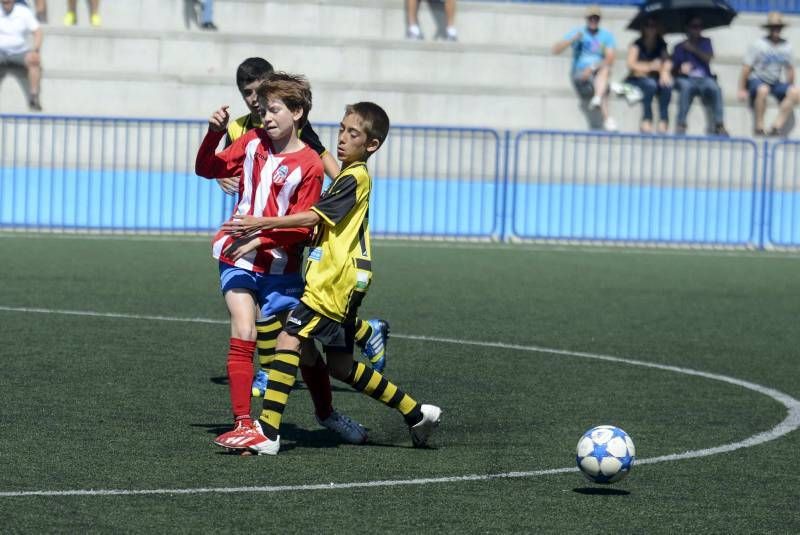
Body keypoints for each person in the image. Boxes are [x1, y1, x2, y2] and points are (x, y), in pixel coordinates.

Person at [213, 101, 442, 455]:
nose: (342, 139)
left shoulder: (354, 178)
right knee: (341, 365)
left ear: (372, 145)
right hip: (346, 284)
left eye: (353, 134)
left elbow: (312, 219)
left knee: (290, 338)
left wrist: (263, 224)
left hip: (333, 283)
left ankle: (269, 432)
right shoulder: (351, 174)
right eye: (341, 129)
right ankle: (416, 413)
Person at [195, 73, 375, 449]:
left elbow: (304, 228)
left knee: (304, 350)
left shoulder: (310, 163)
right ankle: (245, 422)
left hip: (282, 267)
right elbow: (207, 169)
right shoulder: (251, 142)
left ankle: (326, 414)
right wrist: (214, 133)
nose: (266, 117)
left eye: (274, 110)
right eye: (262, 110)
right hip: (237, 255)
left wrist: (262, 235)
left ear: (298, 112)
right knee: (242, 328)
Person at [215, 58, 390, 397]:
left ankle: (359, 337)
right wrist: (223, 173)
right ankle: (275, 374)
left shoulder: (293, 126)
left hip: (289, 229)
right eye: (247, 93)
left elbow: (324, 160)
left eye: (258, 92)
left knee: (298, 313)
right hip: (254, 231)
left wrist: (340, 192)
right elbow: (225, 163)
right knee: (276, 311)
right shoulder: (238, 127)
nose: (255, 100)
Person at [552, 5, 617, 131]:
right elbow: (555, 50)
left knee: (605, 70)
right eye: (591, 18)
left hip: (596, 72)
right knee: (603, 85)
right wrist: (572, 40)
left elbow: (610, 58)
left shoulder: (606, 36)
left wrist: (592, 68)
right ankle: (606, 115)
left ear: (599, 20)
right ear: (586, 19)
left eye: (596, 18)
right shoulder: (578, 32)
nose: (593, 20)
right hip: (579, 72)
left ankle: (598, 100)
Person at [738, 11, 800, 137]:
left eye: (778, 27)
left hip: (775, 82)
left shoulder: (786, 46)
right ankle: (759, 128)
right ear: (769, 29)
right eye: (773, 27)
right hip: (757, 80)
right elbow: (746, 68)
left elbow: (790, 68)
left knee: (796, 92)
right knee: (763, 89)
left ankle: (776, 127)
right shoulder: (758, 45)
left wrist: (790, 86)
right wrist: (742, 89)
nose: (776, 30)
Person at [671, 17, 728, 136]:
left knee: (715, 88)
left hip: (704, 78)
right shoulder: (679, 46)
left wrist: (692, 49)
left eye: (699, 27)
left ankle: (719, 124)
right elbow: (673, 69)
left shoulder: (706, 42)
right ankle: (681, 124)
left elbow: (708, 58)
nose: (697, 30)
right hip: (686, 79)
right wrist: (681, 69)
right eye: (694, 27)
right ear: (687, 28)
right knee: (685, 88)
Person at [625, 17, 672, 134]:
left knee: (667, 85)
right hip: (636, 79)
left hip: (653, 78)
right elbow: (631, 64)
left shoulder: (661, 44)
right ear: (643, 28)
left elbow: (667, 61)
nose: (651, 29)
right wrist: (650, 66)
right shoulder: (637, 44)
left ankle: (663, 120)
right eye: (648, 26)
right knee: (650, 85)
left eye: (653, 26)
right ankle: (647, 119)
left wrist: (664, 72)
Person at [0, 0, 42, 111]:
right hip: (1, 51)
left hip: (20, 52)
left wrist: (35, 50)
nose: (6, 3)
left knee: (34, 61)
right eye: (3, 2)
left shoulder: (24, 12)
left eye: (8, 2)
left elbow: (37, 31)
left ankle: (34, 97)